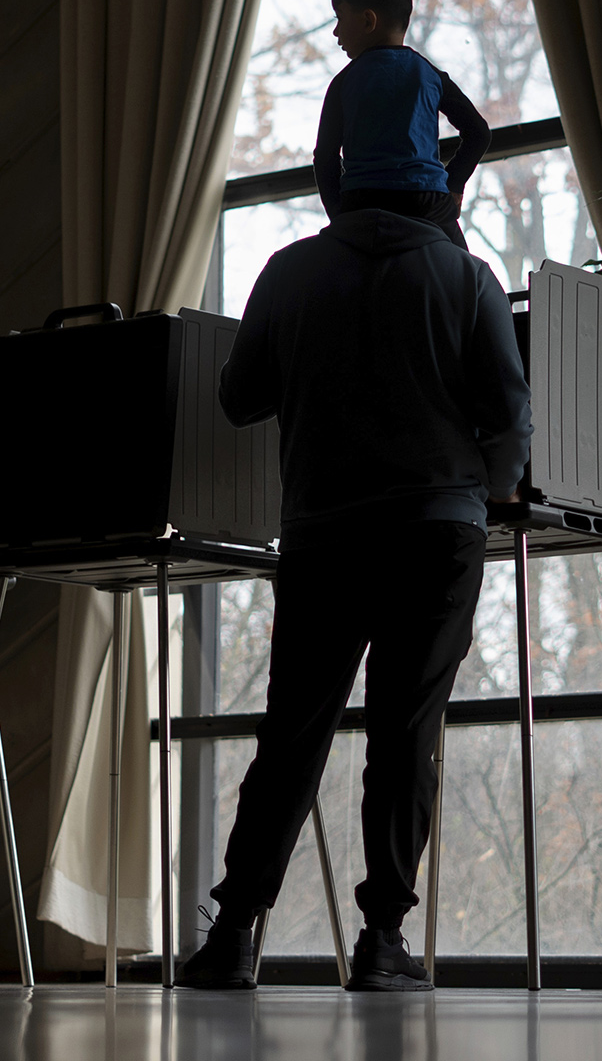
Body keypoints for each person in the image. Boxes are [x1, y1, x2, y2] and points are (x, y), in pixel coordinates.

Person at [183, 206, 532, 990]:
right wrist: (496, 488)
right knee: (404, 732)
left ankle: (233, 936)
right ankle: (381, 943)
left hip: (322, 533)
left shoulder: (289, 270)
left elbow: (239, 398)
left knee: (293, 732)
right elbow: (509, 415)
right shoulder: (467, 276)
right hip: (435, 527)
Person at [312, 0, 490, 253]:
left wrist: (339, 216)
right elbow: (479, 133)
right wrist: (453, 185)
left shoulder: (343, 82)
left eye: (340, 18)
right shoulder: (429, 74)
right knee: (467, 277)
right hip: (426, 199)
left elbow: (325, 158)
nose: (335, 32)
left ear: (369, 21)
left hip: (362, 200)